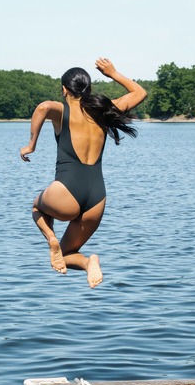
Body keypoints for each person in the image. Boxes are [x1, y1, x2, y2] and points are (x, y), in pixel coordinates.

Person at [20, 58, 146, 287]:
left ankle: (51, 239)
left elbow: (43, 107)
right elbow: (140, 93)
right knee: (66, 255)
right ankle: (89, 263)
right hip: (97, 198)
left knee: (37, 207)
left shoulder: (63, 110)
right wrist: (113, 73)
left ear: (64, 90)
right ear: (88, 89)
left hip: (66, 190)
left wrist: (31, 145)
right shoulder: (103, 110)